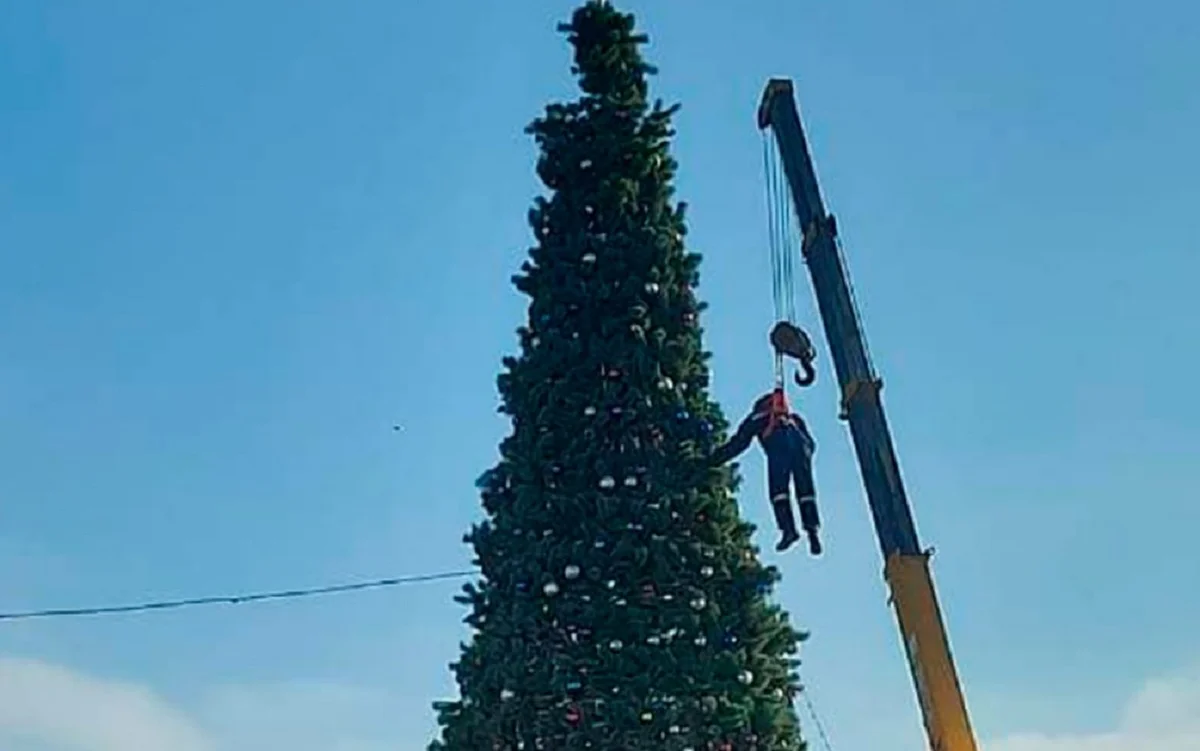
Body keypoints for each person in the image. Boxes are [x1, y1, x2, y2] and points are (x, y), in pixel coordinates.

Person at [712, 387, 823, 555]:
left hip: (779, 448)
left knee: (779, 492)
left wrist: (713, 460)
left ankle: (788, 530)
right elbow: (812, 444)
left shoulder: (758, 417)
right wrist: (806, 454)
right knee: (805, 491)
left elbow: (739, 443)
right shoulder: (795, 419)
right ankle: (812, 531)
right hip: (801, 449)